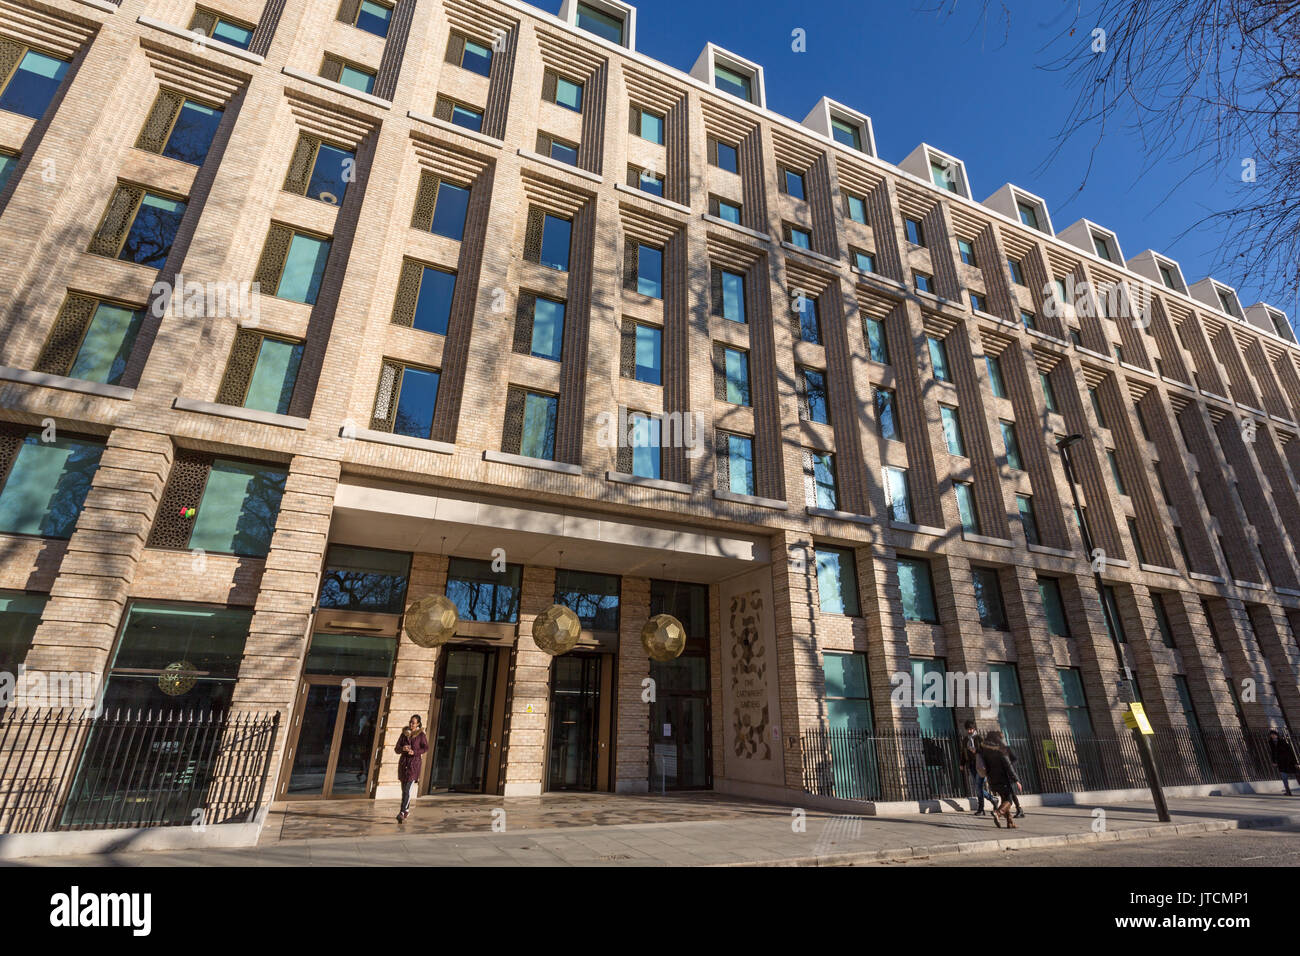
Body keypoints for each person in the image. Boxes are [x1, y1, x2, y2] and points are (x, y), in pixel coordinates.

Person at [979, 729, 1022, 828]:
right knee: (1009, 801)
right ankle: (998, 813)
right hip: (1004, 780)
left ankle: (1010, 822)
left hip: (992, 780)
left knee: (1004, 799)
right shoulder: (1001, 750)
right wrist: (1016, 780)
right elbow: (1009, 766)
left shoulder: (985, 751)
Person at [959, 720, 998, 815]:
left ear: (974, 729)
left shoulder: (979, 738)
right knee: (978, 787)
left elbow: (985, 751)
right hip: (971, 765)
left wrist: (976, 751)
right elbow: (963, 753)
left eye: (971, 729)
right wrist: (962, 764)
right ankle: (992, 799)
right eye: (968, 729)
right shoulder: (965, 740)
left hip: (980, 765)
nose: (970, 731)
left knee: (978, 787)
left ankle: (981, 809)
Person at [395, 714, 428, 822]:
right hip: (403, 764)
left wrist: (415, 752)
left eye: (413, 723)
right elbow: (396, 749)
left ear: (418, 724)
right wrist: (402, 748)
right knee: (404, 790)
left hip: (414, 765)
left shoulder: (421, 735)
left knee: (407, 790)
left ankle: (401, 812)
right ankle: (407, 810)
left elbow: (425, 748)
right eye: (410, 722)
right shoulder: (404, 734)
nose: (411, 724)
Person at [1267, 729, 1300, 795]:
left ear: (1277, 735)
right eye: (1271, 735)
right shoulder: (1271, 743)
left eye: (1274, 735)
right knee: (1284, 777)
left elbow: (1291, 752)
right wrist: (1274, 761)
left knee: (1297, 776)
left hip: (1289, 762)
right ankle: (1288, 791)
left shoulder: (1282, 742)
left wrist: (1295, 763)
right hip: (1281, 763)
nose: (1273, 736)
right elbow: (1273, 753)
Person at [1005, 742, 1025, 818]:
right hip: (1003, 774)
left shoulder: (1008, 748)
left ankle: (1018, 810)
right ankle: (1018, 810)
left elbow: (1015, 759)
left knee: (1011, 793)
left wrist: (1009, 766)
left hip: (1009, 774)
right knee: (1009, 793)